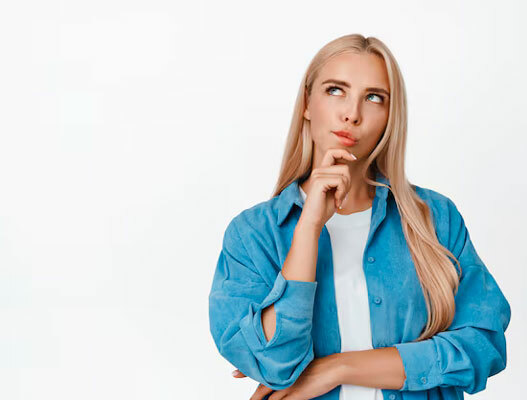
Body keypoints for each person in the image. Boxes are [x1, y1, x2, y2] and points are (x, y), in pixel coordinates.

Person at [208, 33, 511, 400]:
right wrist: (308, 228)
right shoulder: (253, 234)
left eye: (373, 97)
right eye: (336, 90)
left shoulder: (435, 218)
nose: (352, 113)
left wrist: (338, 368)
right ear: (307, 103)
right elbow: (275, 365)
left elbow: (482, 345)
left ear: (390, 116)